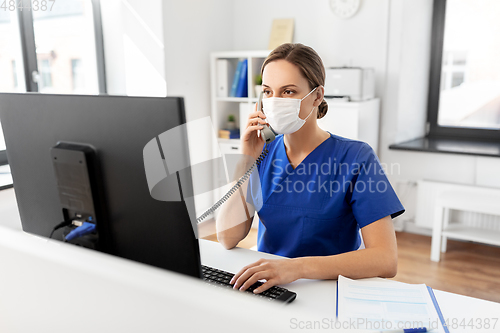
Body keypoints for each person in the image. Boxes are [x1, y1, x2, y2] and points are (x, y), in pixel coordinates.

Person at [216, 43, 404, 295]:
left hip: (329, 290)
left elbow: (385, 260)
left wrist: (296, 268)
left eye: (288, 91)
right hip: (269, 286)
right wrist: (245, 161)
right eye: (268, 92)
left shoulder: (356, 158)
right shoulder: (263, 153)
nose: (274, 102)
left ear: (316, 96)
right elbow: (227, 238)